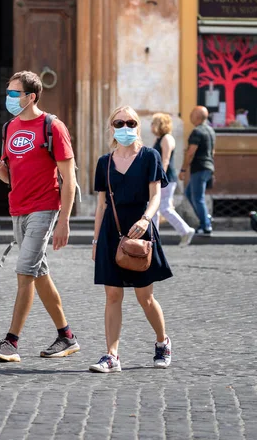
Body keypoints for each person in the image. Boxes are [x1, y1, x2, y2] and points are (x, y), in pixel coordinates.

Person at [0, 70, 80, 362]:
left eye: (15, 93)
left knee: (25, 272)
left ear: (31, 96)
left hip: (44, 207)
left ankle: (11, 343)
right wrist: (0, 170)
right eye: (8, 92)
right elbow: (11, 177)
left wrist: (64, 221)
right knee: (39, 274)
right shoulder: (9, 127)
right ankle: (67, 337)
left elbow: (69, 177)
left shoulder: (53, 127)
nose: (9, 98)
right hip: (18, 208)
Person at [90, 106, 173, 374]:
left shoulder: (150, 156)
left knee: (144, 297)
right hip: (111, 233)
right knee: (112, 294)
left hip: (141, 230)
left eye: (130, 122)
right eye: (119, 122)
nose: (124, 126)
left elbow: (156, 195)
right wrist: (94, 241)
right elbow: (101, 205)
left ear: (137, 125)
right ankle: (111, 356)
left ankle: (163, 341)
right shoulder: (105, 162)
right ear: (111, 127)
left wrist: (147, 219)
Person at [151, 113, 195, 247]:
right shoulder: (160, 139)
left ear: (160, 124)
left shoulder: (167, 139)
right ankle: (153, 237)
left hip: (166, 178)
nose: (151, 126)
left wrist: (160, 177)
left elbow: (165, 160)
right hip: (163, 178)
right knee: (156, 208)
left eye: (153, 123)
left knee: (163, 208)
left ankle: (185, 230)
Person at [179, 106, 216, 236]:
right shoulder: (211, 131)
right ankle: (205, 219)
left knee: (198, 197)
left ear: (198, 117)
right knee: (190, 194)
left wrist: (183, 169)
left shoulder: (197, 132)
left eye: (192, 113)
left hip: (199, 168)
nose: (190, 115)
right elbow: (212, 151)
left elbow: (190, 153)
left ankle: (206, 226)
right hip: (208, 167)